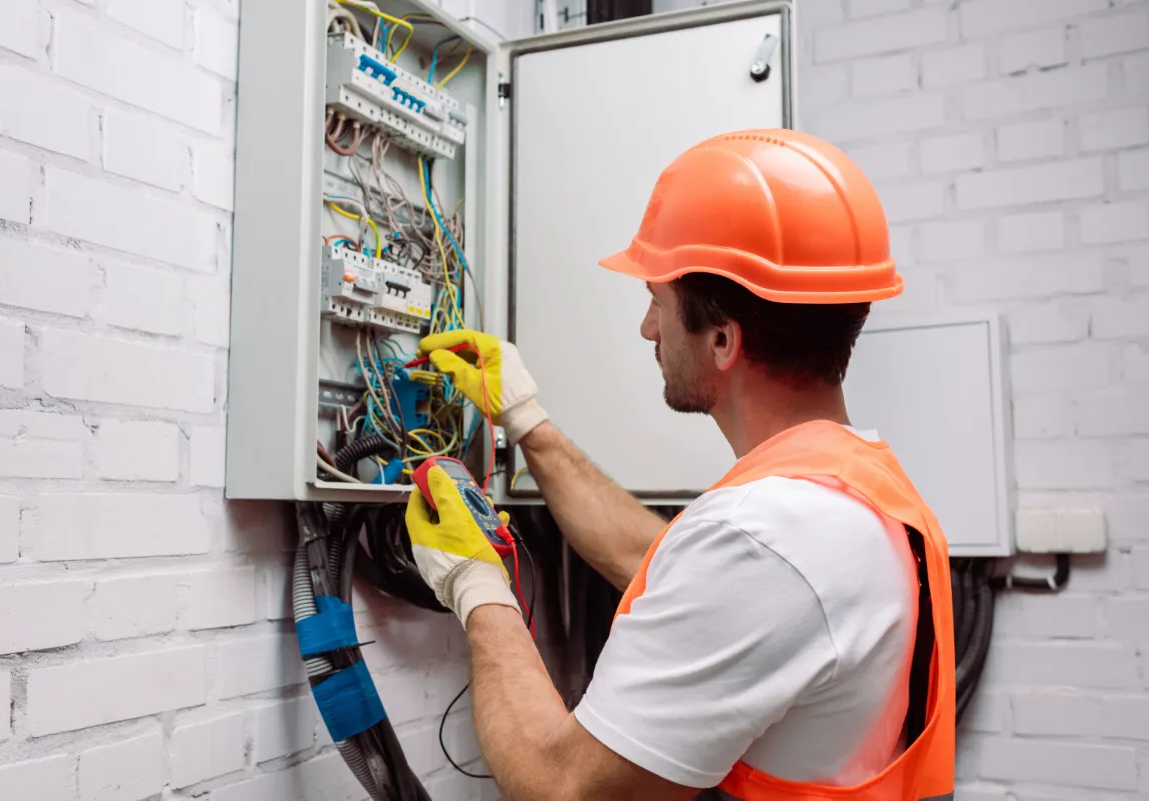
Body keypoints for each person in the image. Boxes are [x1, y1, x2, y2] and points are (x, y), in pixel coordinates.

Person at [404, 129, 955, 801]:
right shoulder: (849, 488)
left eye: (657, 302)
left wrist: (476, 584)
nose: (647, 328)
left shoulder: (766, 537)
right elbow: (659, 563)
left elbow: (563, 784)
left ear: (722, 338)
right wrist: (524, 418)